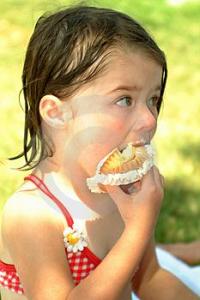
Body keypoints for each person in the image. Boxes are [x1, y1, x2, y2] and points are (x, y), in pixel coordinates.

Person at [0, 5, 198, 300]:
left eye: (153, 99)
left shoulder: (122, 194)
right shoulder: (32, 215)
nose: (150, 119)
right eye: (124, 100)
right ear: (56, 113)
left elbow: (150, 279)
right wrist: (138, 227)